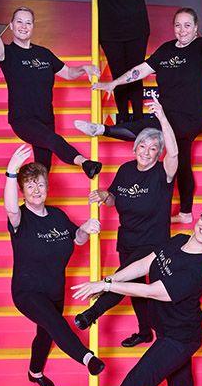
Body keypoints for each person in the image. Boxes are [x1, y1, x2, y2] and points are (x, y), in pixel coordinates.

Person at [73, 0, 202, 223]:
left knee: (154, 128)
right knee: (181, 160)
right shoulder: (166, 50)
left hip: (192, 117)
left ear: (196, 28)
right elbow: (139, 71)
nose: (182, 30)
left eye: (187, 26)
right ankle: (184, 213)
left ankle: (102, 129)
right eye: (178, 26)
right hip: (169, 113)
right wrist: (113, 83)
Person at [71, 205, 202, 386]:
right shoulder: (178, 240)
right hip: (166, 325)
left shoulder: (198, 270)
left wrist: (106, 285)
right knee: (179, 374)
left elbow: (151, 291)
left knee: (142, 375)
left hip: (180, 336)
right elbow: (145, 263)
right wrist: (109, 279)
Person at [74, 95, 178, 348]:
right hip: (128, 239)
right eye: (143, 146)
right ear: (135, 148)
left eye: (153, 148)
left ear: (159, 153)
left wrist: (162, 117)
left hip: (153, 244)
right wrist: (104, 195)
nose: (147, 152)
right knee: (132, 287)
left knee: (122, 280)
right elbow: (115, 199)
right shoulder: (125, 170)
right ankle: (145, 332)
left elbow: (174, 152)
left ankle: (91, 314)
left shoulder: (163, 174)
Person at [4, 145, 107, 386]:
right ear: (23, 192)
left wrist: (86, 228)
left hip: (54, 290)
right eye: (30, 186)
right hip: (27, 292)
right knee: (55, 322)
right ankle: (87, 358)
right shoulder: (20, 219)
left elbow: (78, 239)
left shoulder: (58, 216)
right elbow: (10, 208)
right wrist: (10, 173)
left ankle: (34, 372)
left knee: (46, 334)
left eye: (40, 184)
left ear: (47, 188)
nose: (36, 190)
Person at [0, 0, 103, 178]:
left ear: (33, 27)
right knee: (53, 140)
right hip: (23, 120)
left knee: (43, 169)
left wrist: (83, 68)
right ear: (11, 26)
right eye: (19, 22)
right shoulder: (7, 54)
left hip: (45, 118)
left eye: (28, 22)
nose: (23, 26)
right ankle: (86, 164)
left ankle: (30, 208)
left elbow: (67, 73)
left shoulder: (44, 54)